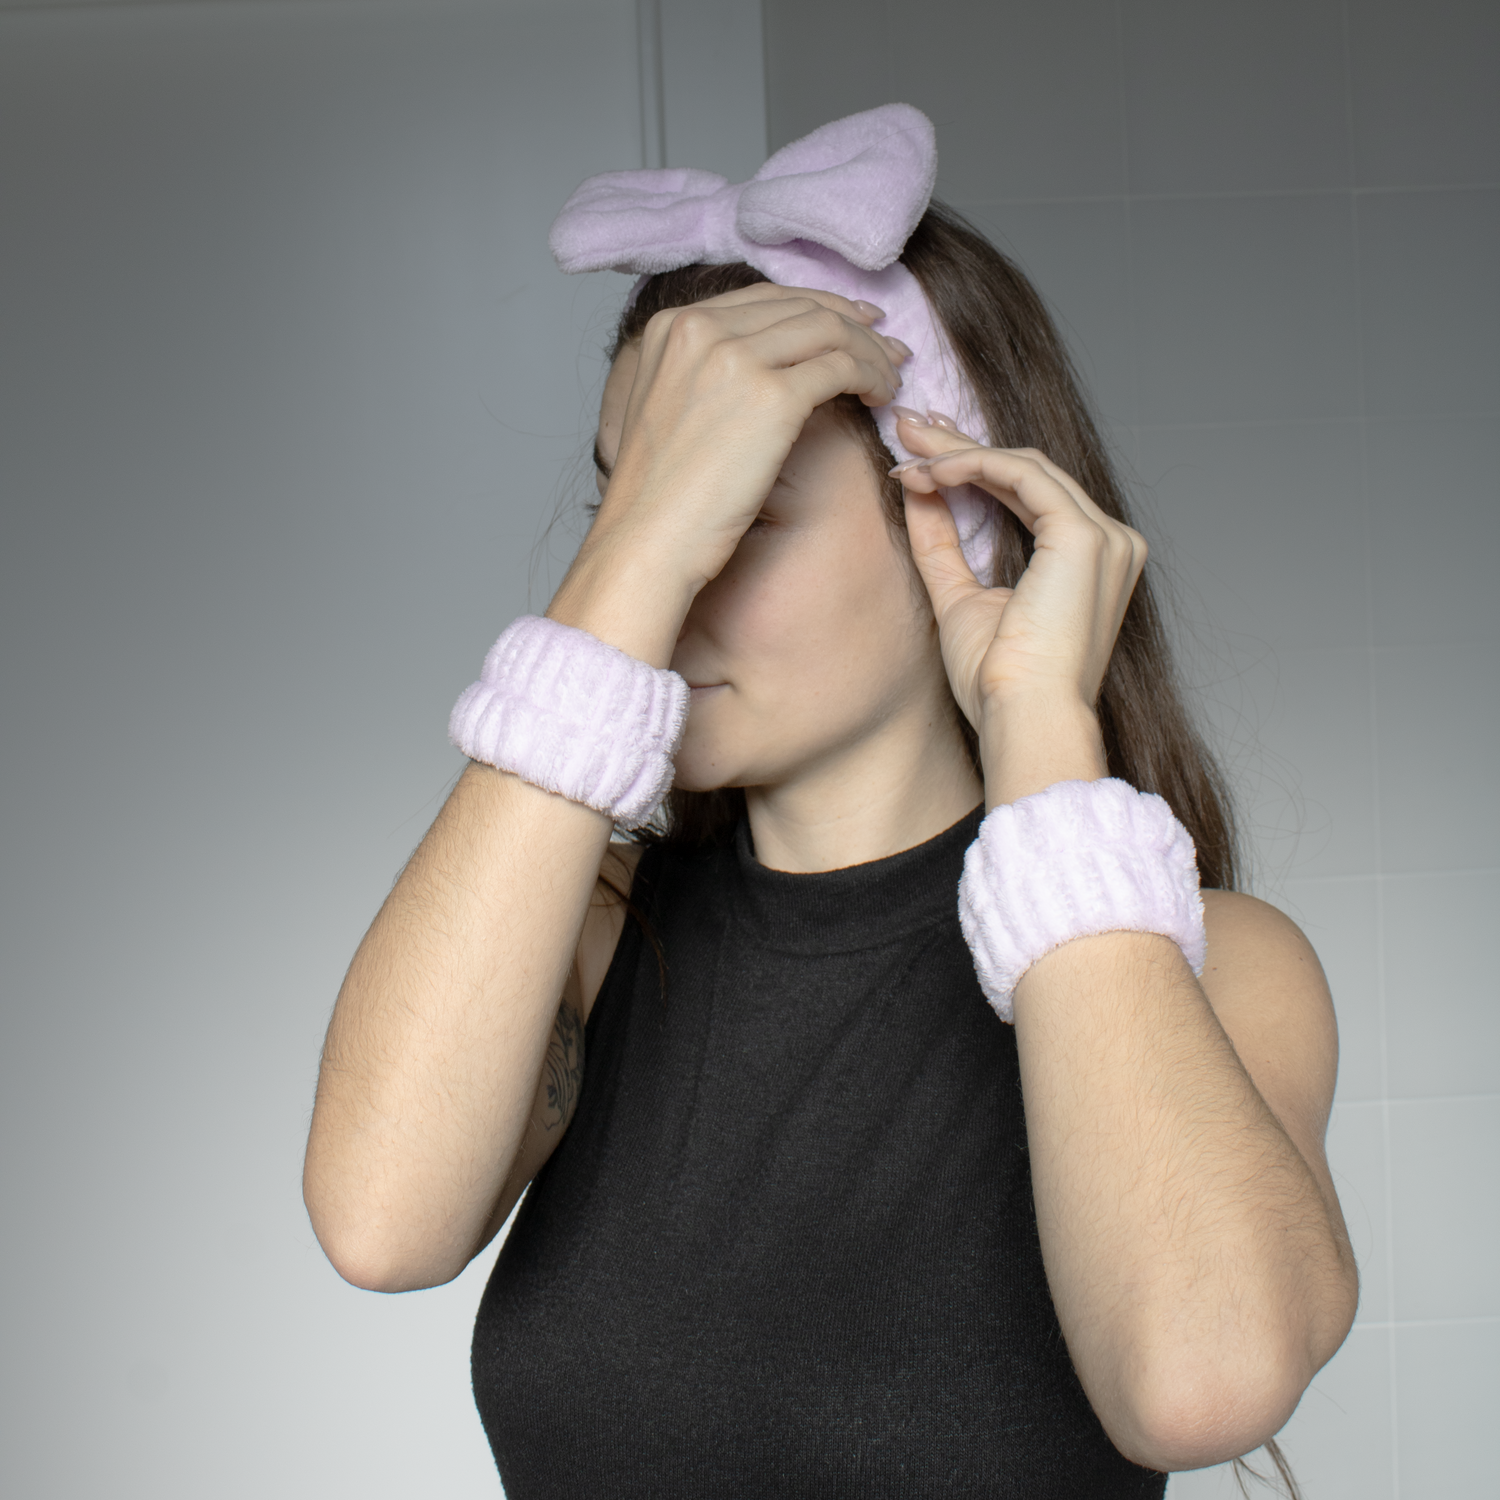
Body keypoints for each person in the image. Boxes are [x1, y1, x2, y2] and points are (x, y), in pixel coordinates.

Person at [302, 106, 1358, 1497]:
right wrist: (631, 562)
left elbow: (1201, 1382)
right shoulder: (592, 935)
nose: (671, 581)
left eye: (739, 505)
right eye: (634, 509)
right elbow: (381, 1227)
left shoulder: (1216, 971)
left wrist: (1042, 723)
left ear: (958, 515)